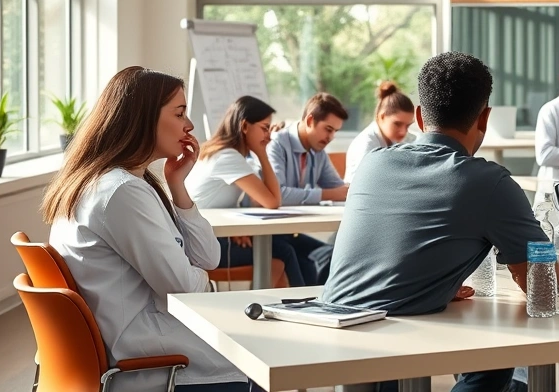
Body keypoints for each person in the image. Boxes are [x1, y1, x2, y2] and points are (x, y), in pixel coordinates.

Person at [323, 52, 553, 392]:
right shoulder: (488, 182)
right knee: (494, 358)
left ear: (418, 116)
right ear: (484, 118)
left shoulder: (372, 165)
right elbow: (544, 286)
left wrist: (433, 285)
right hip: (398, 338)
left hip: (335, 328)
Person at [41, 66, 252, 391]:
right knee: (260, 363)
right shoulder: (121, 192)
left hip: (134, 340)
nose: (190, 125)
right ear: (144, 118)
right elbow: (186, 288)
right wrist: (201, 280)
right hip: (147, 357)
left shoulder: (119, 182)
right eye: (180, 113)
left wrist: (177, 185)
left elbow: (209, 257)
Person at [185, 95, 312, 286]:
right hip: (201, 244)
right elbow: (272, 202)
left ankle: (281, 307)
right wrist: (262, 153)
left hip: (206, 234)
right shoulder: (228, 157)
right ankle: (302, 307)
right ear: (244, 127)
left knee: (281, 257)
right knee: (283, 251)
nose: (268, 136)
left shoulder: (224, 153)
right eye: (264, 128)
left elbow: (258, 201)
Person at [265, 92, 349, 284]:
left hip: (290, 232)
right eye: (328, 129)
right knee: (302, 260)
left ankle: (322, 304)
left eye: (335, 131)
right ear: (310, 120)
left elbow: (338, 188)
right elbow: (278, 194)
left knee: (334, 255)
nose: (331, 137)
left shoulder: (317, 149)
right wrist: (328, 194)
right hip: (268, 234)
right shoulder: (276, 143)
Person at [344, 80, 416, 183]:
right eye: (397, 124)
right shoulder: (366, 145)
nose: (403, 132)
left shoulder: (397, 140)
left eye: (408, 125)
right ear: (382, 117)